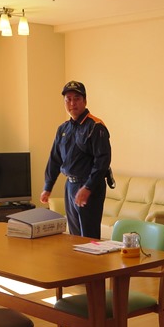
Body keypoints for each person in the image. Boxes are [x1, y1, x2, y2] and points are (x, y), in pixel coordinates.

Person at [40, 81, 112, 239]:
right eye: (68, 99)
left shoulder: (95, 126)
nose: (72, 103)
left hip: (89, 186)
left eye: (77, 99)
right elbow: (55, 159)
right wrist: (48, 186)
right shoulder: (63, 128)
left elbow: (102, 162)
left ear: (85, 101)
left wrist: (88, 188)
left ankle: (92, 258)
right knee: (74, 236)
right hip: (70, 185)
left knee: (88, 237)